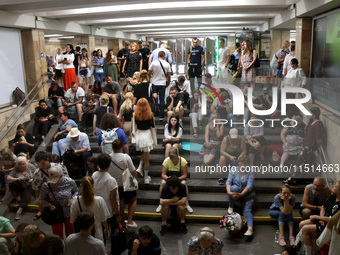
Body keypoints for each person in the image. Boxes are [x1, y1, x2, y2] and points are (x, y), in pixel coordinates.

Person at [299, 180, 340, 255]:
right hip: (323, 220)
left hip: (330, 226)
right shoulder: (334, 197)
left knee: (305, 229)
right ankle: (311, 248)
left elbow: (333, 220)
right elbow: (323, 207)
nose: (333, 186)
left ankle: (308, 253)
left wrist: (318, 217)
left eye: (335, 186)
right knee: (302, 224)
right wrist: (321, 218)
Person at [92, 154, 121, 252]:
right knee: (115, 233)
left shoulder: (94, 175)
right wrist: (117, 214)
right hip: (109, 211)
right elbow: (113, 200)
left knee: (100, 234)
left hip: (96, 210)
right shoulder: (111, 180)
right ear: (109, 164)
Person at [40, 166, 78, 239]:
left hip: (68, 211)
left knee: (70, 233)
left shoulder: (70, 182)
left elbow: (76, 191)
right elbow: (42, 199)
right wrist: (49, 205)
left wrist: (73, 199)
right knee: (57, 235)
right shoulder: (46, 185)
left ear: (61, 176)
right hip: (55, 213)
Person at [70, 176, 110, 242]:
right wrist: (106, 229)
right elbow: (104, 220)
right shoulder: (99, 200)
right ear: (93, 185)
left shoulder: (76, 200)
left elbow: (72, 220)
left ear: (81, 186)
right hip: (96, 234)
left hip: (81, 235)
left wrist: (75, 234)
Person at [109, 139, 138, 228]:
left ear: (112, 147)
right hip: (126, 183)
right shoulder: (126, 157)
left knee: (120, 203)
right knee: (133, 199)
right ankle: (129, 220)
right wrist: (135, 180)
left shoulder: (108, 157)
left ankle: (121, 222)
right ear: (121, 147)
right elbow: (133, 171)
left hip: (114, 184)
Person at [33, 151, 68, 222]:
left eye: (43, 163)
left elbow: (66, 179)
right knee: (55, 221)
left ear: (47, 159)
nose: (41, 166)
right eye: (39, 164)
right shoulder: (37, 173)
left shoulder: (58, 167)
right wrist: (39, 201)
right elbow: (37, 187)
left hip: (63, 195)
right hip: (50, 199)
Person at [156, 148, 193, 214]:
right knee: (162, 183)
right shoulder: (166, 161)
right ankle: (161, 203)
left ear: (177, 155)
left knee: (184, 183)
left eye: (174, 158)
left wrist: (177, 179)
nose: (172, 160)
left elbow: (184, 175)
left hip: (179, 178)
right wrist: (168, 179)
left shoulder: (183, 161)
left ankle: (187, 204)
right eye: (171, 158)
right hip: (169, 179)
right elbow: (163, 174)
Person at [226, 155, 255, 236]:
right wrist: (229, 192)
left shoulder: (250, 171)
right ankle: (231, 205)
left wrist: (242, 194)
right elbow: (228, 182)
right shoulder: (233, 170)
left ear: (247, 163)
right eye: (241, 162)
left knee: (247, 210)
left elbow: (250, 185)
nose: (242, 164)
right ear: (238, 163)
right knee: (234, 188)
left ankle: (250, 229)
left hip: (247, 195)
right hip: (235, 194)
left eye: (244, 162)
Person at [133, 98, 157, 184]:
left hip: (138, 135)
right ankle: (146, 178)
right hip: (147, 135)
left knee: (143, 153)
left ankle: (139, 167)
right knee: (147, 159)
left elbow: (134, 127)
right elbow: (153, 128)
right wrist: (155, 139)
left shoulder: (135, 115)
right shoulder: (150, 115)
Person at [148, 50, 171, 120]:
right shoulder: (167, 64)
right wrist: (168, 83)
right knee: (162, 99)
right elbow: (169, 75)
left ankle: (155, 112)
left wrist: (149, 80)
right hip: (162, 83)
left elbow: (149, 73)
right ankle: (161, 115)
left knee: (154, 98)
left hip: (154, 83)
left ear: (158, 56)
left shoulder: (153, 63)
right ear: (164, 56)